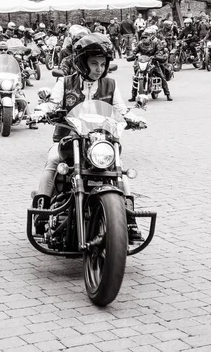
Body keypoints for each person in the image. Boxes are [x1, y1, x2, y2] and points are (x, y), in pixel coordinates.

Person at [29, 33, 146, 241]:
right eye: (94, 63)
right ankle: (42, 211)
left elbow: (121, 109)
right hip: (70, 140)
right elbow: (53, 104)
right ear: (82, 63)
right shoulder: (65, 83)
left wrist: (134, 118)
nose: (99, 69)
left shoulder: (110, 84)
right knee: (53, 161)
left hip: (101, 141)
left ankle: (129, 218)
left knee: (119, 169)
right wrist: (40, 111)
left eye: (102, 64)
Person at [129, 27, 173, 101]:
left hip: (153, 62)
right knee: (136, 76)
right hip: (143, 62)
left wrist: (156, 56)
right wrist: (133, 55)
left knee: (161, 76)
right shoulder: (140, 44)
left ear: (149, 38)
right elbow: (135, 51)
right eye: (142, 38)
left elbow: (160, 51)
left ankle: (168, 94)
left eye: (145, 38)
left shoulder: (155, 43)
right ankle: (133, 96)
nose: (144, 39)